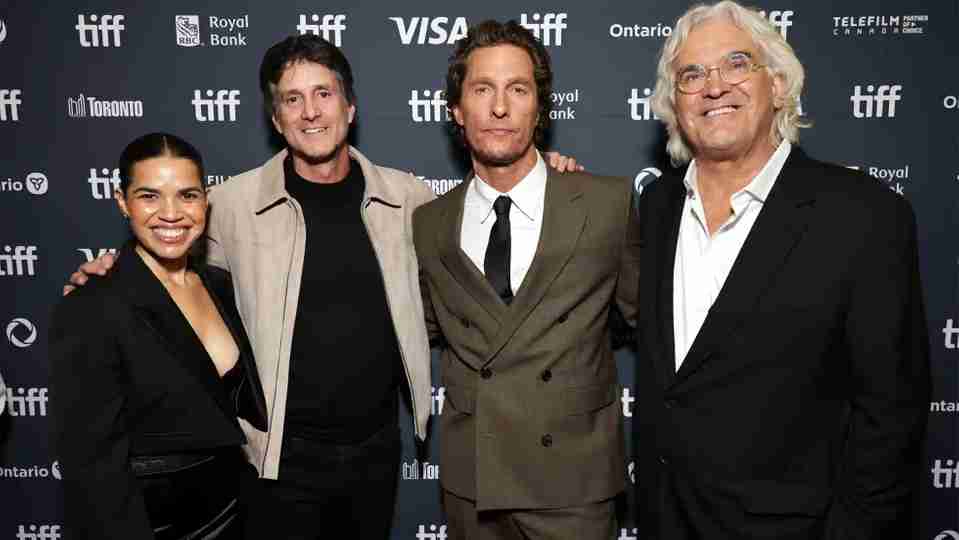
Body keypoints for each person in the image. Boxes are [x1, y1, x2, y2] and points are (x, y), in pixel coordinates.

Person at [66, 33, 582, 539]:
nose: (310, 111)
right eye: (293, 98)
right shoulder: (231, 205)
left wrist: (546, 174)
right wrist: (115, 270)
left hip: (376, 452)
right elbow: (172, 249)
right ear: (276, 119)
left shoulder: (410, 200)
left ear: (350, 108)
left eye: (323, 94)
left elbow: (490, 206)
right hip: (275, 458)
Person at [633, 2, 931, 539]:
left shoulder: (862, 214)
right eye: (691, 74)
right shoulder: (655, 207)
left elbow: (891, 415)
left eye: (736, 64)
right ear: (673, 104)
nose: (714, 86)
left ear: (777, 83)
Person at [413, 20, 640, 538]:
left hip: (574, 484)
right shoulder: (428, 223)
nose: (499, 107)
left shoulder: (605, 205)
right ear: (455, 110)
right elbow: (423, 326)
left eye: (517, 89)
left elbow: (654, 324)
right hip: (474, 484)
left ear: (540, 109)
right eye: (482, 89)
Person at [50, 133, 268, 539]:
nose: (171, 214)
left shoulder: (218, 284)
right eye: (150, 196)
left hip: (233, 512)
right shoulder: (91, 306)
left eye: (187, 195)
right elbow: (92, 471)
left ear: (206, 201)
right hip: (156, 527)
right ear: (122, 202)